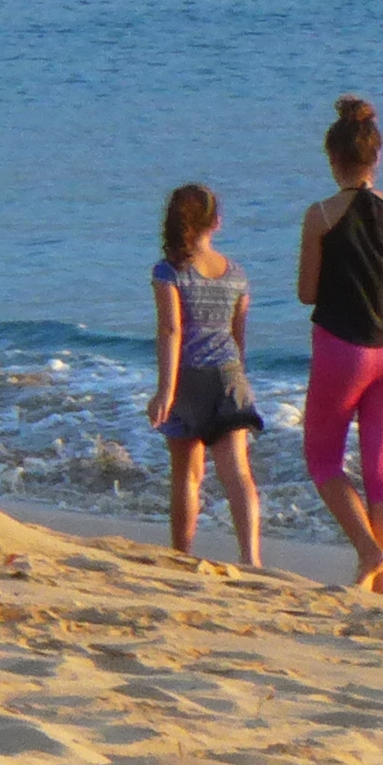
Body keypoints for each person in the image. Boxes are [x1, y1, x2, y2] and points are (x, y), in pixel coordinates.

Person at [296, 95, 383, 595]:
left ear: (333, 160)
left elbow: (307, 292)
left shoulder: (321, 215)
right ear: (376, 158)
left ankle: (369, 550)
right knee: (381, 468)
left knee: (323, 460)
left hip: (342, 347)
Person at [147, 182, 264, 567]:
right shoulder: (237, 275)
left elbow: (171, 331)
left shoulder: (169, 272)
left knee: (187, 474)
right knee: (238, 475)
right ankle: (251, 556)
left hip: (189, 378)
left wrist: (165, 390)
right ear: (216, 221)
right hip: (229, 375)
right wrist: (239, 379)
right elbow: (239, 336)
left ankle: (182, 553)